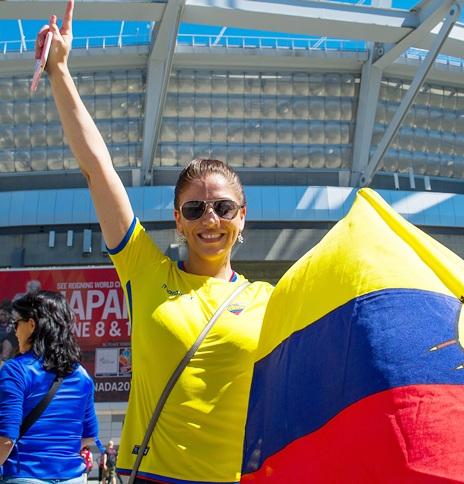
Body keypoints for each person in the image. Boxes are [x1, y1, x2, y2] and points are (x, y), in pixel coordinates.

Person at [40, 2, 273, 482]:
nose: (210, 218)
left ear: (242, 218)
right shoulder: (145, 270)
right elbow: (97, 168)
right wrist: (60, 72)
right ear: (178, 221)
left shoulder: (270, 301)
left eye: (223, 207)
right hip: (152, 476)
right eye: (195, 209)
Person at [0, 291, 100, 481]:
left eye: (16, 323)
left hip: (25, 475)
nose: (14, 330)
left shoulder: (15, 370)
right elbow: (89, 436)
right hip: (72, 477)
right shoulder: (81, 375)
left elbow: (5, 439)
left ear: (31, 324)